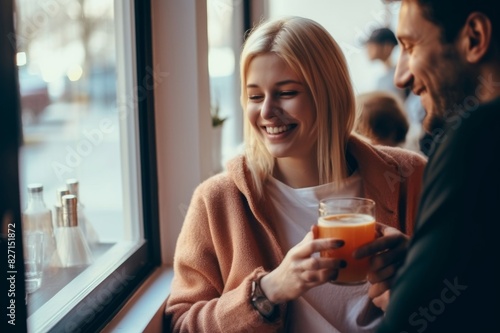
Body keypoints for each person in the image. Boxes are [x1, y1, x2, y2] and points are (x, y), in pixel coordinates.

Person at [165, 16, 426, 333]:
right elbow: (181, 325)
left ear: (329, 94)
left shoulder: (411, 177)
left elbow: (474, 293)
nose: (266, 112)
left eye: (286, 93)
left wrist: (418, 277)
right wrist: (268, 292)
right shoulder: (217, 201)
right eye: (255, 96)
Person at [377, 1, 500, 332]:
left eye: (410, 46)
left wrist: (407, 294)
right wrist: (426, 262)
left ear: (474, 38)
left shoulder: (474, 137)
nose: (401, 77)